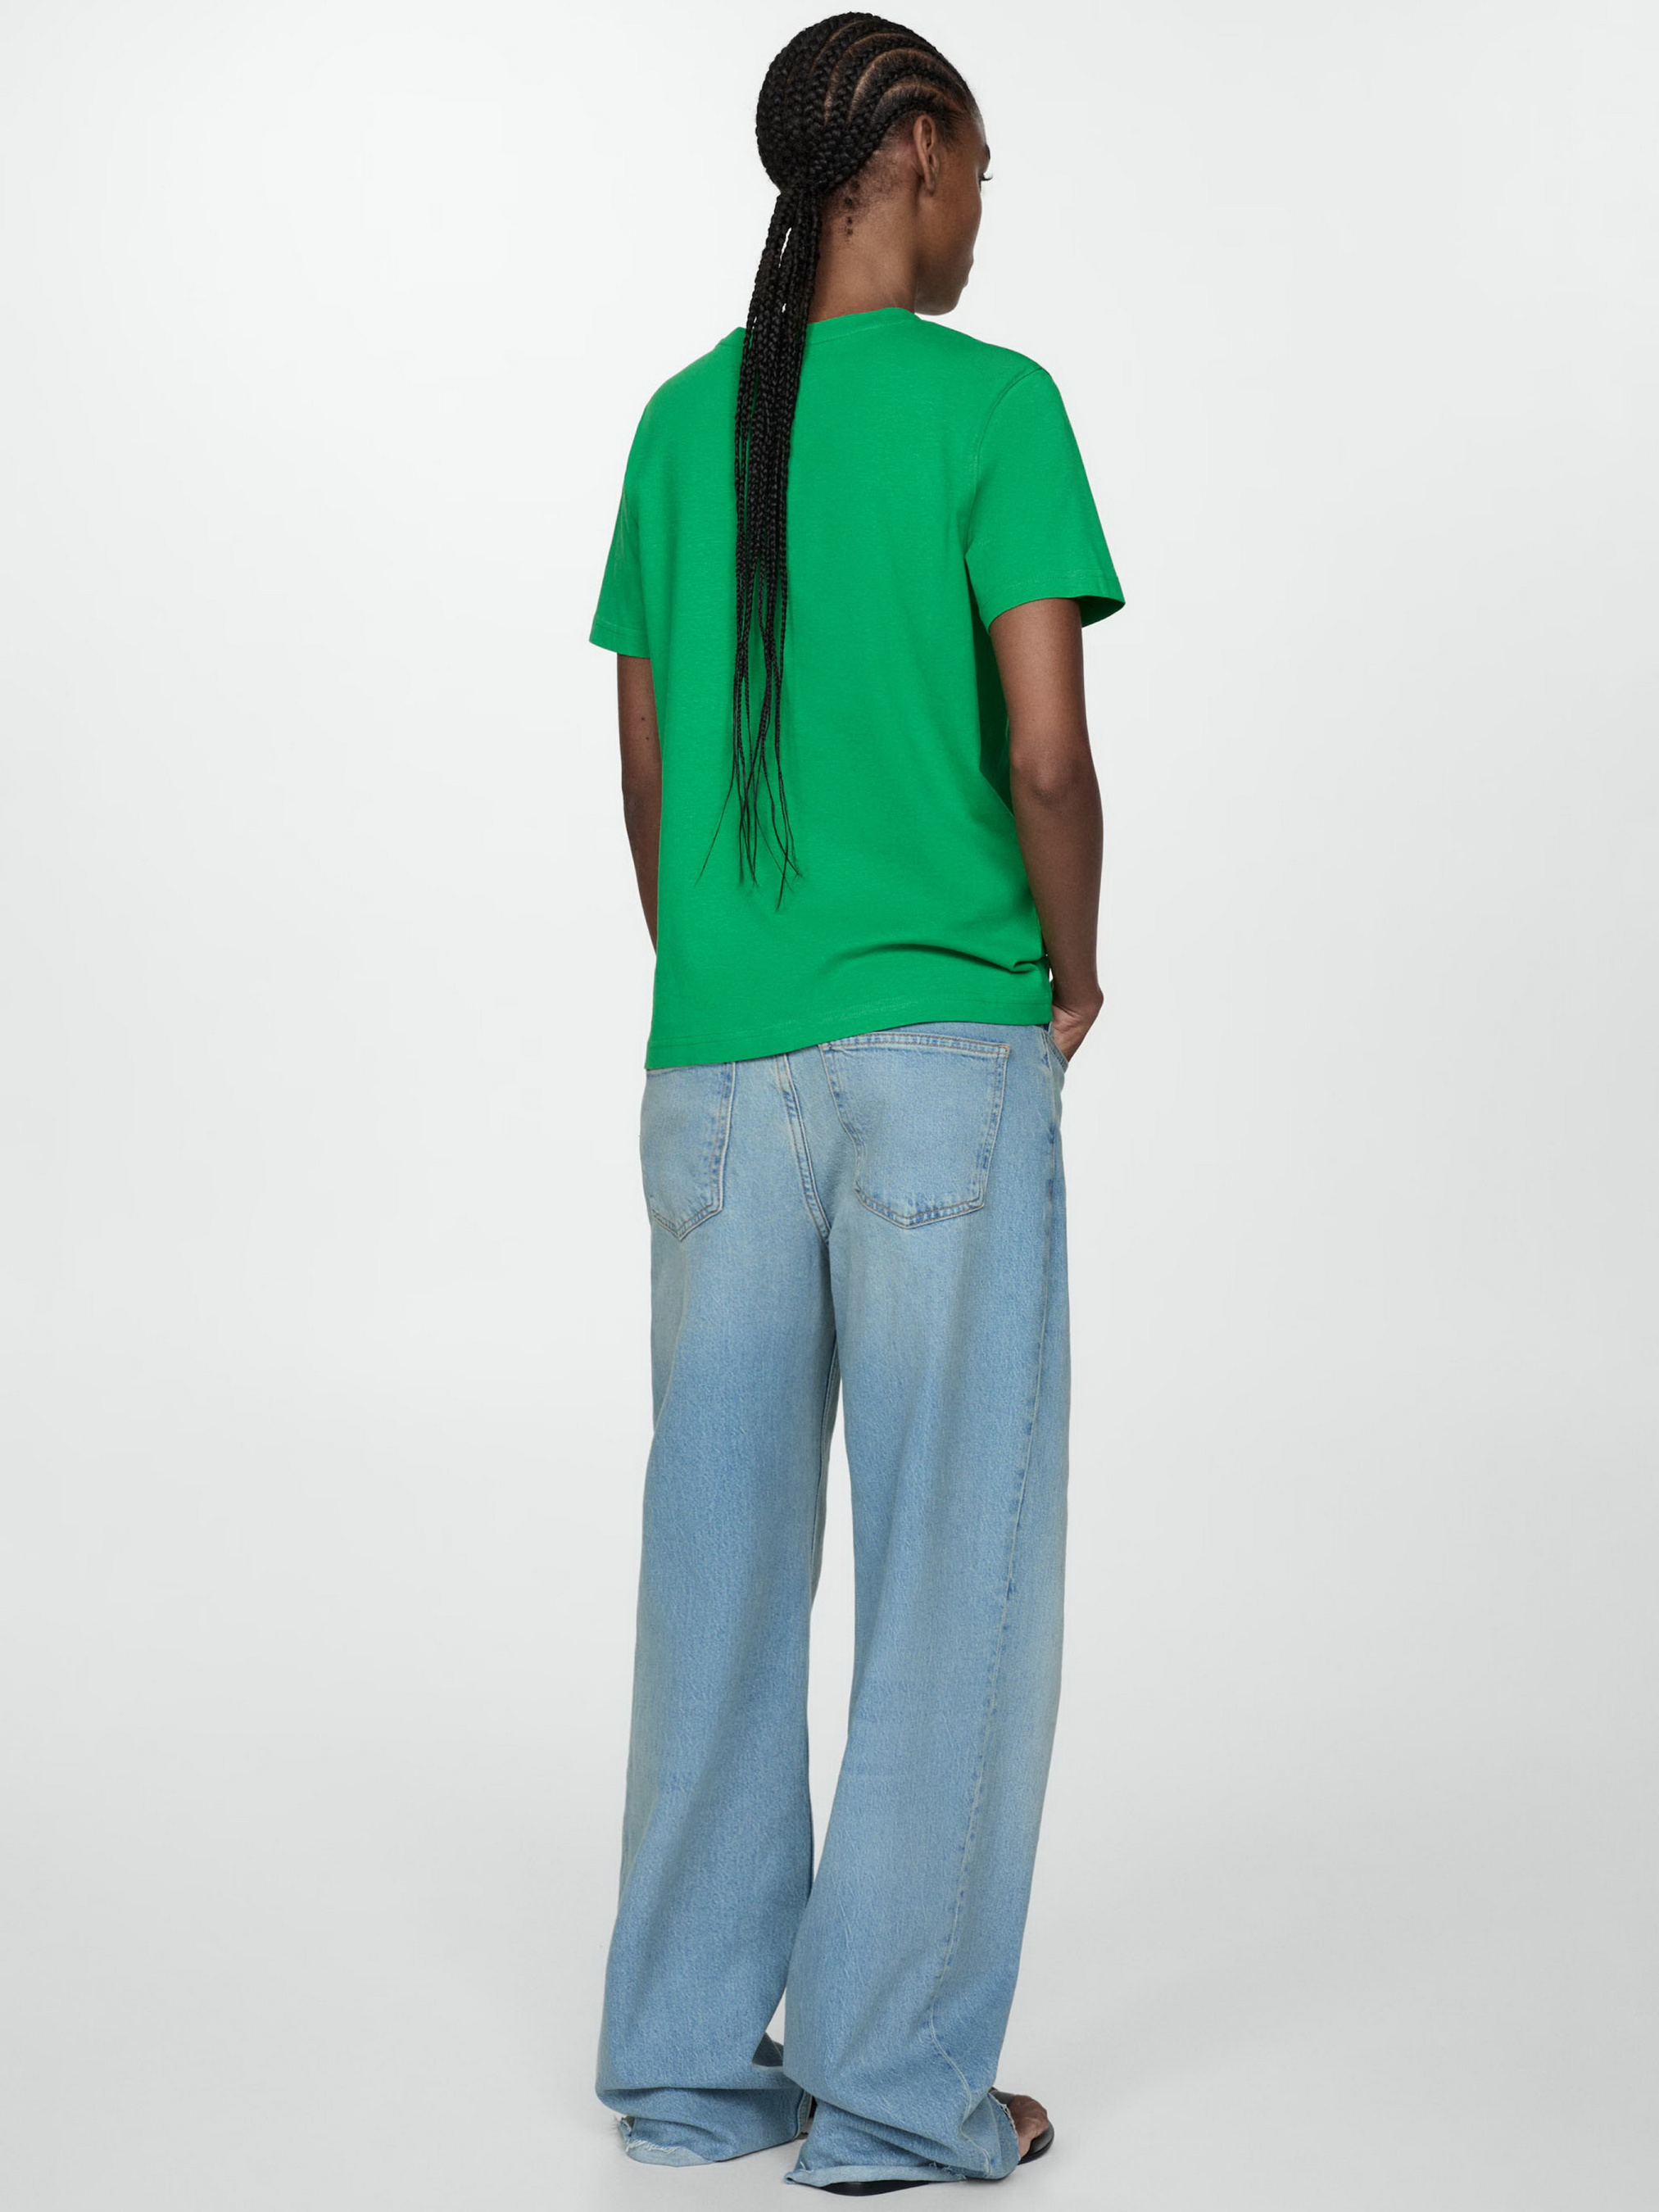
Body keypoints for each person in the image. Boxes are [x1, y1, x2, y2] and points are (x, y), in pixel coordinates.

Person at [587, 15, 1124, 2194]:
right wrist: (1070, 971)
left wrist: (729, 965)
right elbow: (1047, 756)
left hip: (712, 1065)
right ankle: (898, 2090)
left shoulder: (675, 421)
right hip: (939, 1064)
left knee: (712, 1564)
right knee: (948, 1567)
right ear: (910, 150)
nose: (984, 207)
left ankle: (689, 2070)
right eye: (976, 161)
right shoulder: (997, 408)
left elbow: (646, 773)